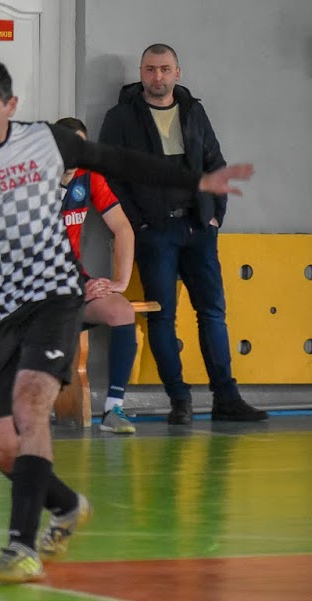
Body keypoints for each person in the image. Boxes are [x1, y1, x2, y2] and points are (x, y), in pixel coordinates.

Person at [0, 60, 254, 583]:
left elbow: (122, 160)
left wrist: (198, 179)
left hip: (51, 295)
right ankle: (65, 505)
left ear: (11, 106)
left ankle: (20, 547)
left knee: (31, 406)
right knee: (0, 446)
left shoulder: (47, 142)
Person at [99, 43, 268, 425]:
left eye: (164, 69)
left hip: (198, 228)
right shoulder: (122, 117)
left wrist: (215, 216)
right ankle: (180, 401)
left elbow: (215, 162)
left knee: (212, 312)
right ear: (141, 73)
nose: (157, 77)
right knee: (163, 317)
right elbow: (109, 174)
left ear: (178, 72)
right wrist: (137, 222)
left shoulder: (194, 111)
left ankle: (226, 396)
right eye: (150, 69)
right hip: (154, 232)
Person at [55, 117, 138, 435]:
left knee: (121, 310)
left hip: (74, 281)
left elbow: (123, 228)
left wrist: (121, 281)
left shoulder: (90, 177)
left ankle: (113, 408)